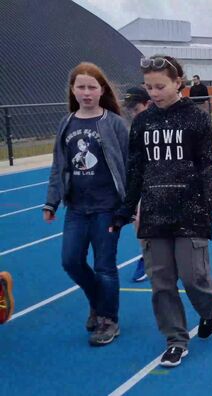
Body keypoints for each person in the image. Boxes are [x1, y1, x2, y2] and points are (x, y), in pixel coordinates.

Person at [112, 55, 212, 367]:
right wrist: (125, 209)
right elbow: (135, 169)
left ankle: (209, 309)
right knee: (162, 282)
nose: (153, 92)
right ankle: (176, 340)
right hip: (154, 212)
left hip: (190, 210)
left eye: (160, 86)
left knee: (194, 277)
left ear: (178, 82)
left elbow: (210, 162)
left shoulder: (196, 118)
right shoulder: (142, 123)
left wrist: (211, 198)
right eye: (149, 87)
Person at [43, 62, 129, 346]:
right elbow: (59, 165)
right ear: (73, 90)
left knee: (105, 266)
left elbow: (129, 165)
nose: (87, 92)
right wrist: (51, 202)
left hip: (107, 208)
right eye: (81, 87)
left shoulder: (114, 123)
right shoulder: (67, 123)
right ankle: (98, 301)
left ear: (101, 90)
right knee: (71, 261)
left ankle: (108, 320)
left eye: (92, 87)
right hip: (77, 208)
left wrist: (131, 204)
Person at [123, 86, 152, 282]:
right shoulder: (129, 128)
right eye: (130, 110)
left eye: (136, 109)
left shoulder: (163, 123)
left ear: (147, 104)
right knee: (138, 219)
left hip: (164, 180)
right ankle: (146, 256)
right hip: (138, 180)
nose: (133, 113)